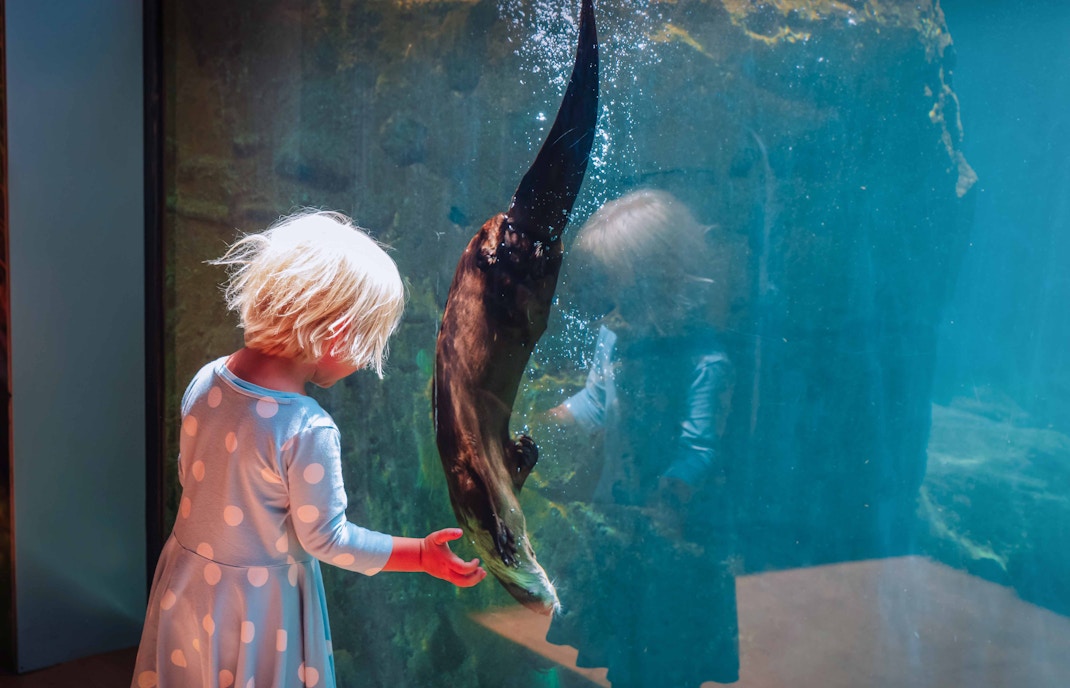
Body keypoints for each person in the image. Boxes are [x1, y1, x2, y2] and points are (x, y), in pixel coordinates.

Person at [132, 210, 486, 688]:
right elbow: (327, 539)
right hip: (260, 610)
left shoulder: (206, 380)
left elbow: (192, 477)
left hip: (189, 589)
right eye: (367, 343)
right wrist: (419, 555)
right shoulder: (306, 427)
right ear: (336, 335)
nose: (363, 361)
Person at [544, 189, 740, 686]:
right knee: (622, 651)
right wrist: (544, 423)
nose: (613, 298)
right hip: (617, 521)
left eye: (621, 284)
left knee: (665, 658)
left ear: (661, 276)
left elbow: (699, 449)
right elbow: (594, 403)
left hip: (672, 534)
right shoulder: (614, 336)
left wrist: (668, 500)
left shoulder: (703, 359)